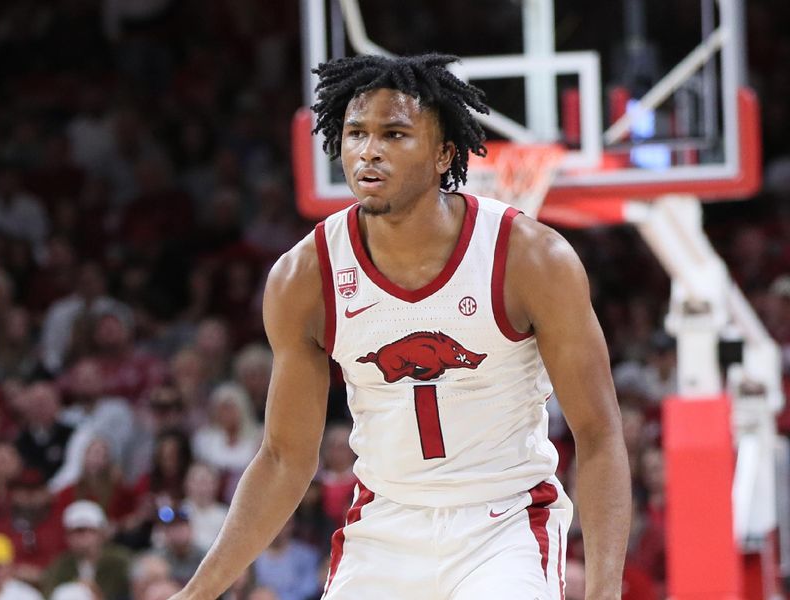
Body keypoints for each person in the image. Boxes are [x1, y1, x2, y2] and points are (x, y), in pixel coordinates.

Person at [171, 53, 630, 599]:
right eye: (356, 133)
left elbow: (599, 437)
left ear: (444, 153)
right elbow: (282, 459)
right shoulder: (304, 277)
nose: (369, 150)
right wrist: (194, 594)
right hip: (384, 526)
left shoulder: (531, 259)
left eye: (394, 133)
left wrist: (604, 595)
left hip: (505, 524)